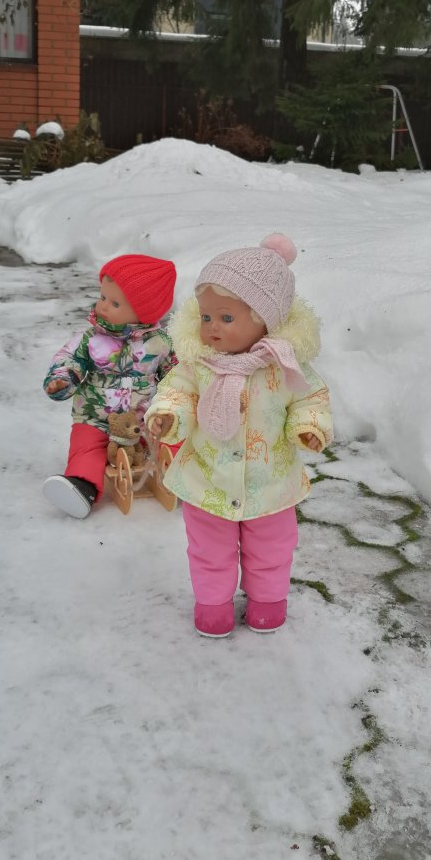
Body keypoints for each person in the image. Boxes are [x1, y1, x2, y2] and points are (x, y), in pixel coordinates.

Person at [145, 233, 332, 637]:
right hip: (207, 481)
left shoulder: (284, 366)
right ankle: (213, 604)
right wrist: (167, 414)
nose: (211, 328)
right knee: (209, 551)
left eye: (226, 319)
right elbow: (176, 390)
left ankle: (268, 599)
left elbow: (310, 398)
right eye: (207, 317)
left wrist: (309, 427)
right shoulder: (198, 362)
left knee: (272, 550)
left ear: (267, 319)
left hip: (271, 485)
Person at [42, 253, 177, 518]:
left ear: (144, 312)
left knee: (172, 440)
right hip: (95, 417)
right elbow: (69, 358)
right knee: (86, 445)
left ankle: (185, 480)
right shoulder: (91, 339)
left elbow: (175, 374)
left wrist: (176, 401)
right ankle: (82, 486)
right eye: (103, 297)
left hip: (145, 419)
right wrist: (64, 378)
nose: (102, 306)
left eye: (114, 302)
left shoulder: (161, 343)